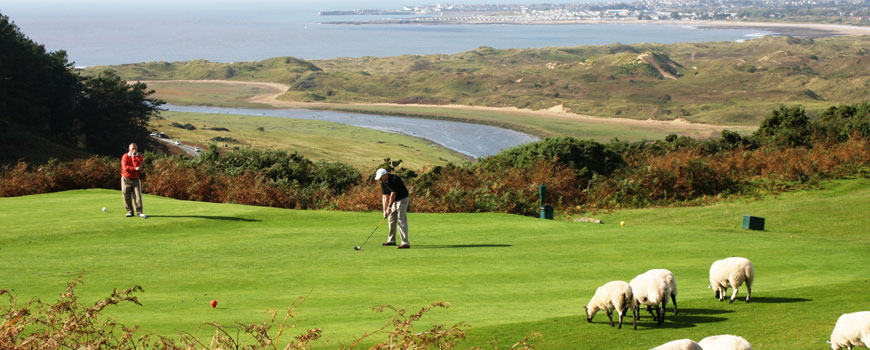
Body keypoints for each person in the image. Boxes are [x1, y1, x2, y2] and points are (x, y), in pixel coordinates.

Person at [375, 168, 410, 249]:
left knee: (400, 219)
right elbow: (385, 197)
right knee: (391, 219)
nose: (380, 180)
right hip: (393, 200)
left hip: (402, 199)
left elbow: (392, 195)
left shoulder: (395, 179)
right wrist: (385, 211)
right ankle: (391, 240)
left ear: (385, 175)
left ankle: (405, 242)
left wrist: (389, 207)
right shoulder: (383, 183)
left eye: (381, 178)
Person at [121, 142, 147, 218]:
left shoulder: (139, 157)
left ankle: (139, 212)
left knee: (137, 196)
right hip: (126, 179)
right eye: (133, 148)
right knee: (126, 195)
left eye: (135, 148)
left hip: (135, 179)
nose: (134, 150)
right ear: (129, 149)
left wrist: (133, 157)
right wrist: (134, 169)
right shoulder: (125, 156)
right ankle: (130, 211)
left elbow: (138, 166)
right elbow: (125, 167)